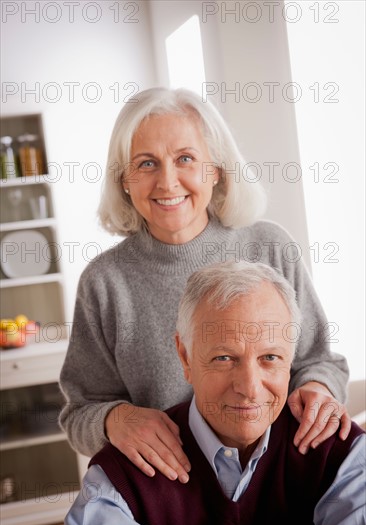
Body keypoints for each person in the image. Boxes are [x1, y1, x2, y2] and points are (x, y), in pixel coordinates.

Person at [59, 87, 351, 485]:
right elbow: (80, 412)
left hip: (276, 484)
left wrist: (317, 389)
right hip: (170, 496)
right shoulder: (104, 282)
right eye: (146, 163)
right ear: (124, 179)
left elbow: (319, 361)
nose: (167, 181)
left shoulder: (270, 247)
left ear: (215, 170)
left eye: (185, 159)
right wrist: (114, 419)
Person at [61, 261, 365, 525]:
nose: (249, 388)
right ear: (185, 357)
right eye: (224, 358)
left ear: (291, 358)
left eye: (270, 358)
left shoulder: (339, 453)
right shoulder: (122, 480)